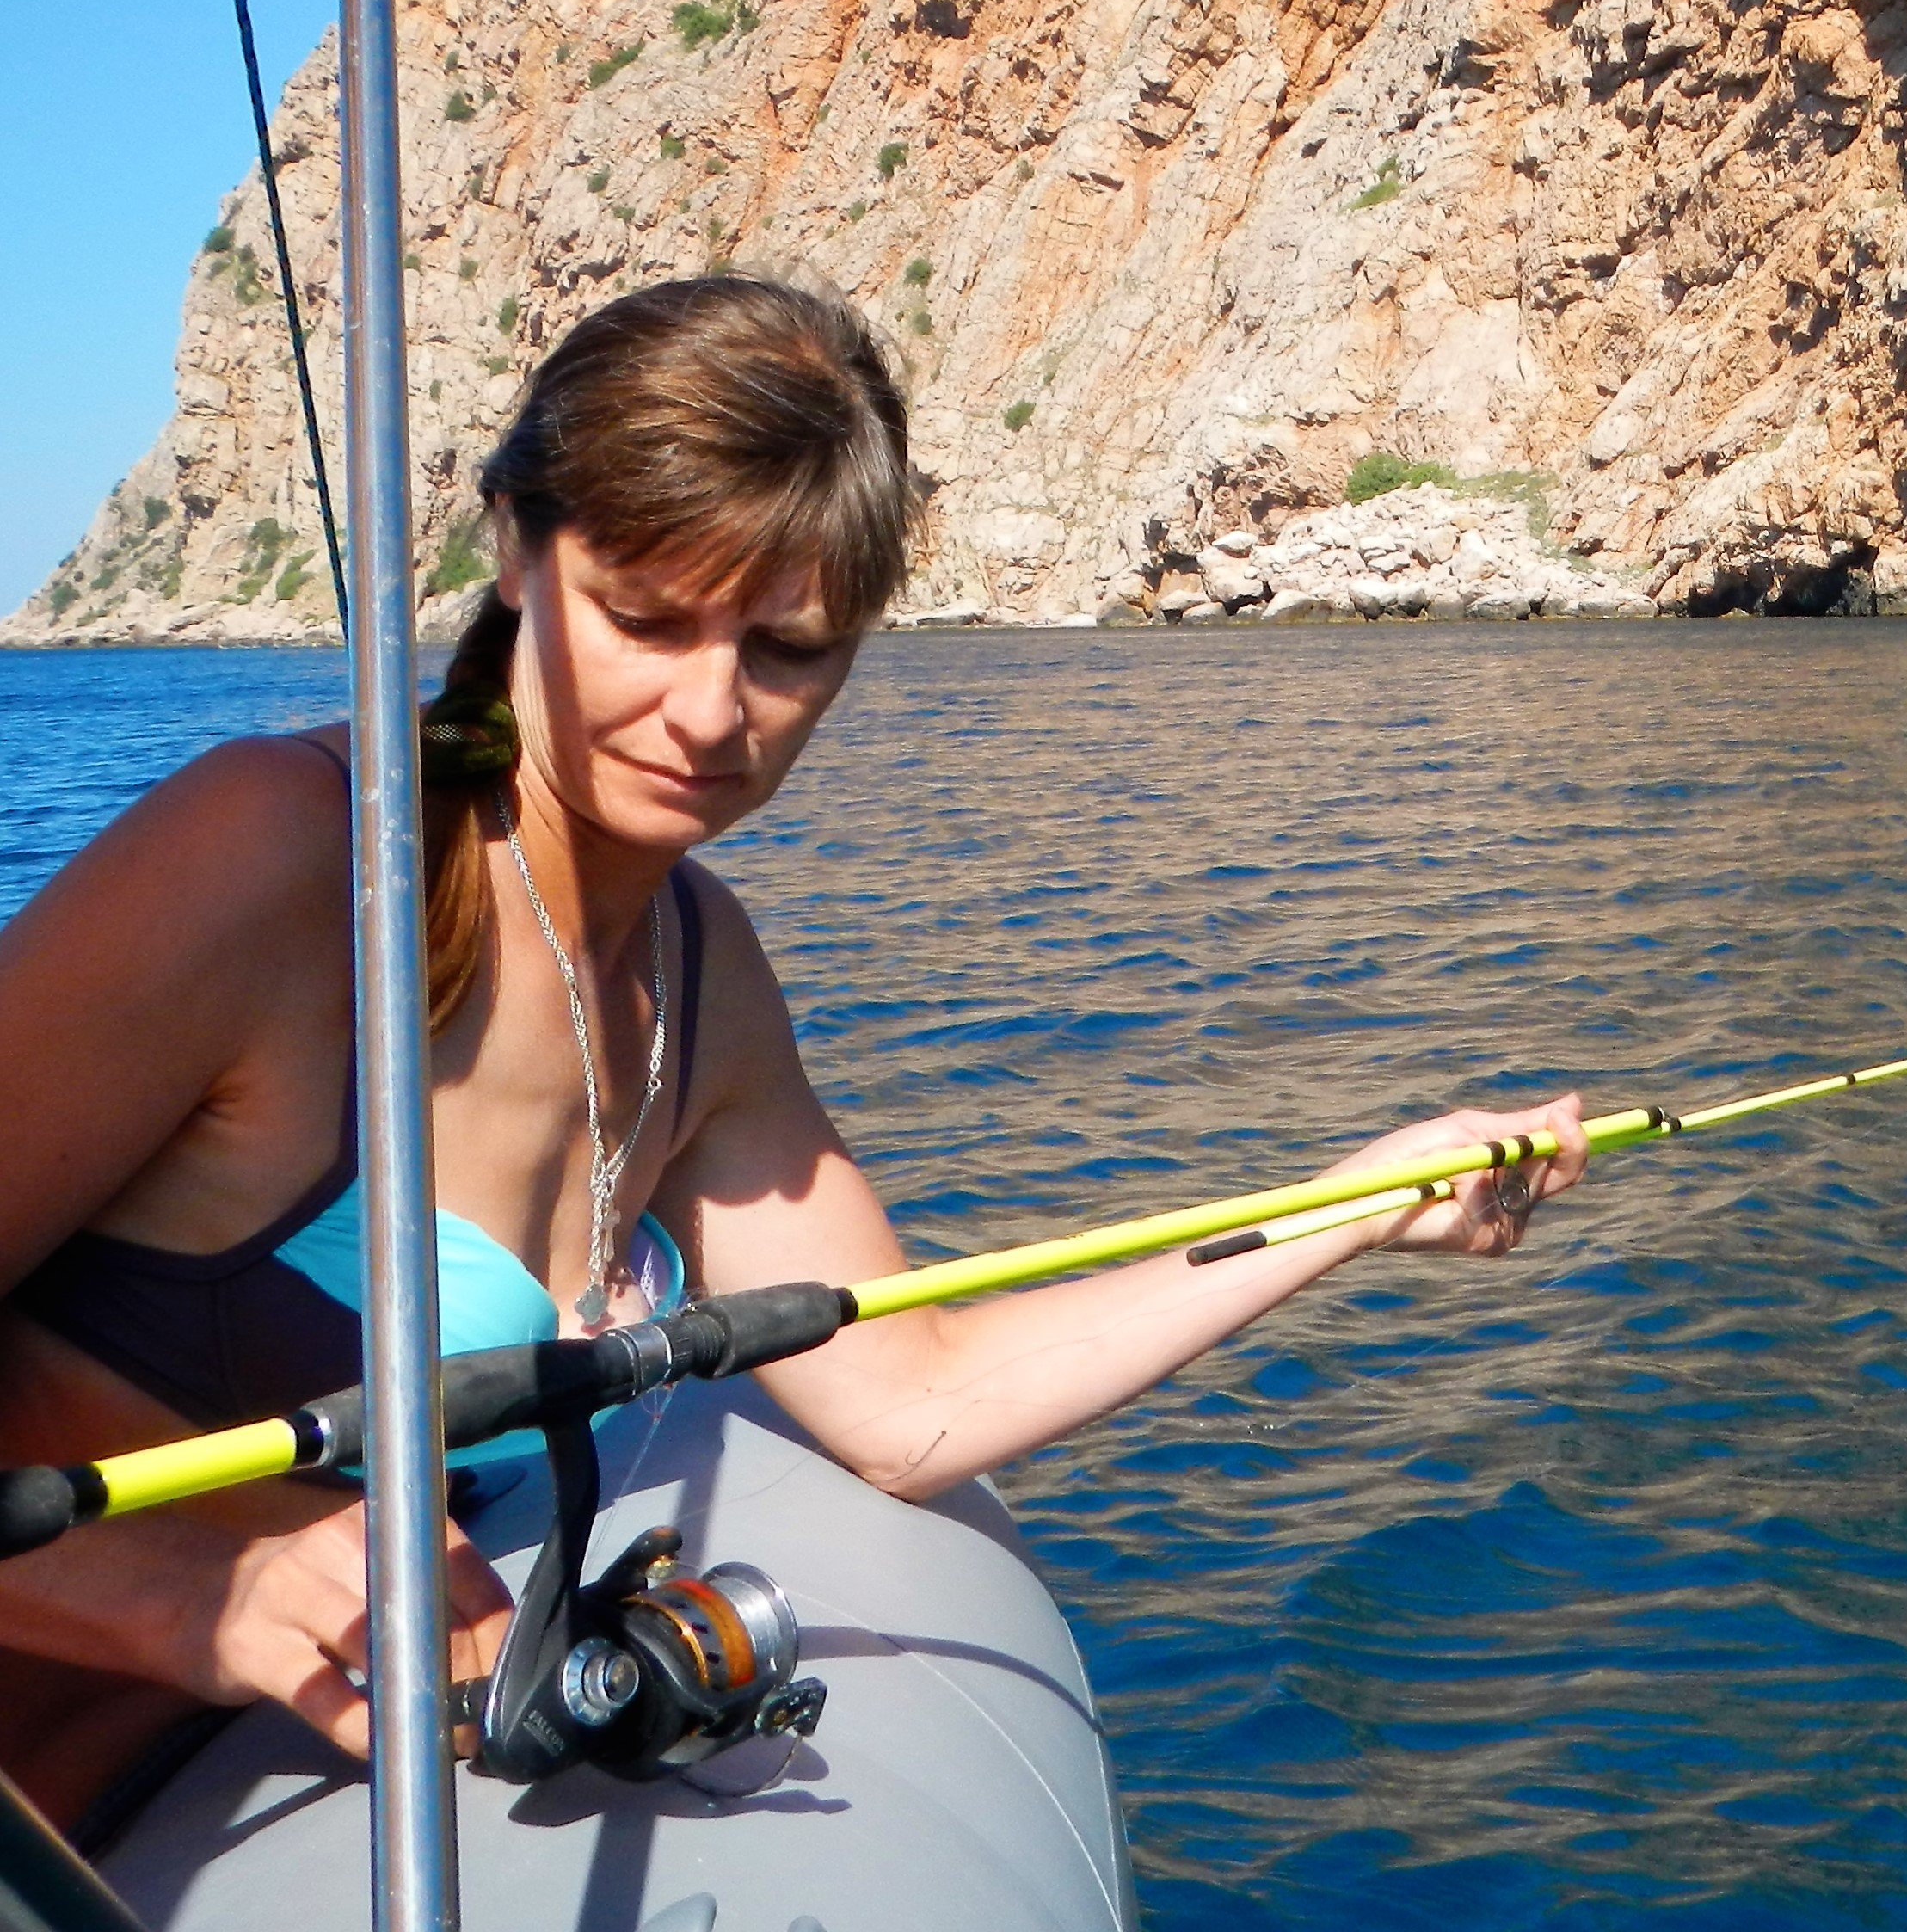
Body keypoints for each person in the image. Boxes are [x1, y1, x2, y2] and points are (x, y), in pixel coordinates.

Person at [0, 274, 1585, 1827]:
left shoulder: (699, 971)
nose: (710, 715)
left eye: (788, 649)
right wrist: (184, 1587)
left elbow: (912, 1403)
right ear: (514, 553)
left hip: (189, 1808)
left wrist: (1355, 1204)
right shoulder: (285, 859)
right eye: (644, 620)